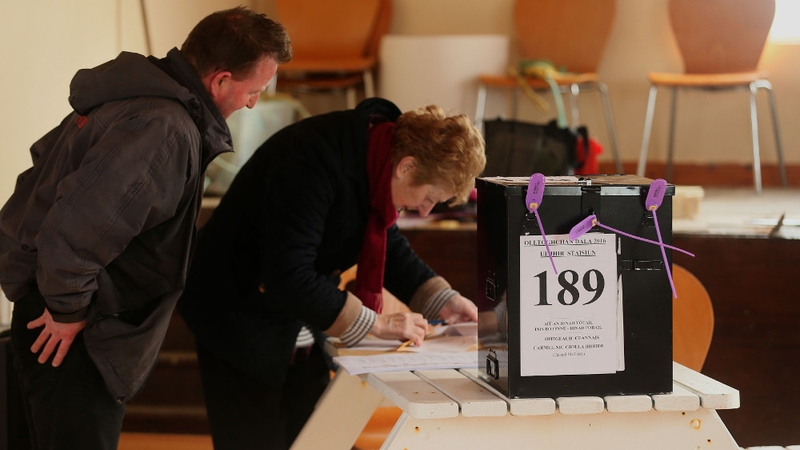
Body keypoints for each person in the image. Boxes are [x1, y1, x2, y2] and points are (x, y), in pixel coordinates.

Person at [0, 7, 291, 450]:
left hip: (61, 307)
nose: (253, 103)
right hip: (71, 325)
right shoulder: (164, 128)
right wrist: (66, 309)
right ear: (221, 81)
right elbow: (75, 229)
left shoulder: (137, 98)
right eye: (254, 90)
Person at [176, 97, 486, 449]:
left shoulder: (375, 157)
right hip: (235, 308)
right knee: (256, 438)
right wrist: (377, 323)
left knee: (319, 436)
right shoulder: (314, 159)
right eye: (429, 197)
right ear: (407, 166)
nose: (426, 210)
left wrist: (443, 300)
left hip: (293, 314)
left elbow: (385, 241)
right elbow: (288, 275)